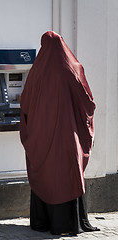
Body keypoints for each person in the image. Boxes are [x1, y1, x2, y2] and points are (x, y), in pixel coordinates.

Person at [20, 31, 99, 236]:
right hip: (68, 137)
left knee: (47, 173)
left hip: (41, 134)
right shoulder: (72, 68)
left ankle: (43, 221)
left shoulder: (36, 72)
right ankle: (68, 223)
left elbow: (25, 104)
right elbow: (87, 102)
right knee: (66, 172)